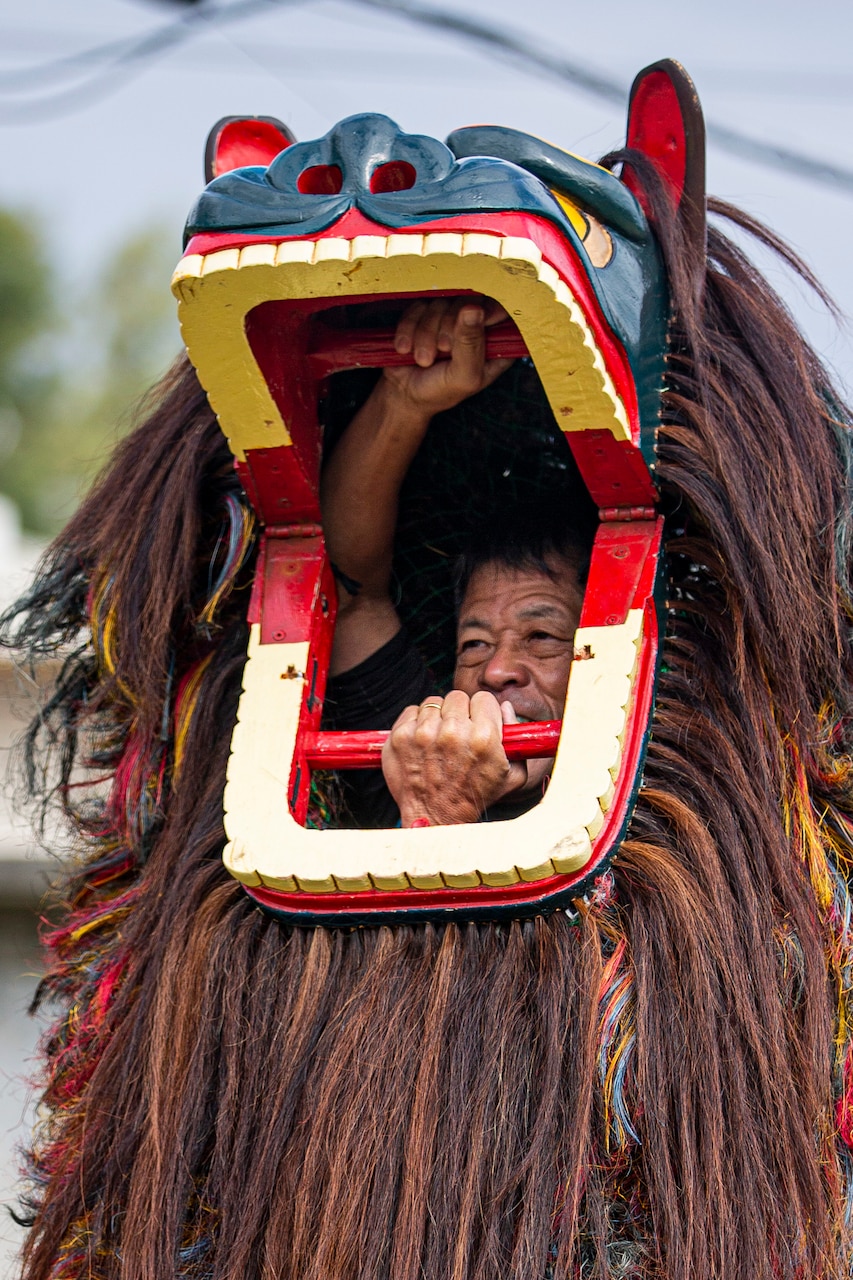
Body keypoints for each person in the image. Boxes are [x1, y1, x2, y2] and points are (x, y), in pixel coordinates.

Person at [321, 296, 588, 828]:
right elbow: (349, 593)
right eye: (475, 645)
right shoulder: (416, 753)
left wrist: (446, 809)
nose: (495, 671)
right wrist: (402, 397)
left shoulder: (661, 788)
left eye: (541, 637)